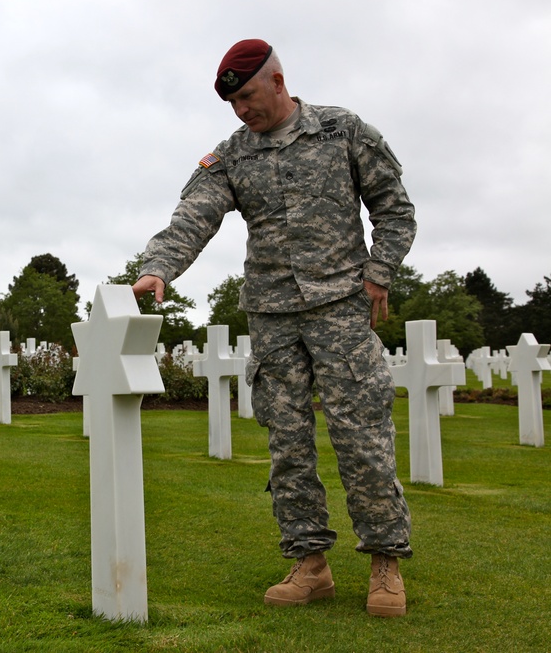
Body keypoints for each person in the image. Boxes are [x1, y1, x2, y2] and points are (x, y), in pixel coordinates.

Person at [131, 39, 416, 617]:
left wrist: (379, 273)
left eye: (248, 97)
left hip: (340, 307)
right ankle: (311, 564)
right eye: (232, 103)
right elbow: (193, 214)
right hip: (272, 315)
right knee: (287, 445)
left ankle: (385, 564)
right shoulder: (232, 156)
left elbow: (394, 208)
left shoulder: (342, 131)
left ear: (278, 82)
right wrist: (159, 266)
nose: (242, 111)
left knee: (362, 439)